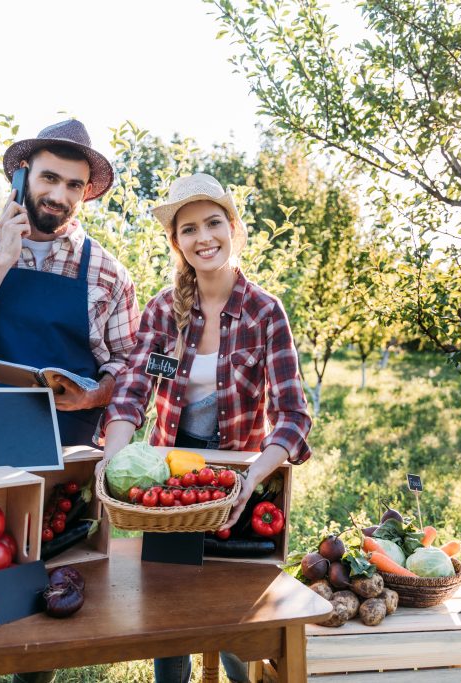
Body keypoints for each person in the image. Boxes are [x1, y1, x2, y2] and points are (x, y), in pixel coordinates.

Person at [101, 173, 312, 683]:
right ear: (176, 243)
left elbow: (293, 416)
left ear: (233, 228)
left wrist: (252, 478)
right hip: (171, 483)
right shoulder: (163, 312)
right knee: (168, 615)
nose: (204, 238)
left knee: (236, 621)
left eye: (213, 223)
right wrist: (112, 462)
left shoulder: (264, 313)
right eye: (189, 229)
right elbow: (131, 392)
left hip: (237, 476)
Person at [0, 119, 140, 449]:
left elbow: (131, 370)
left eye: (74, 185)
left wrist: (91, 395)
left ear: (87, 191)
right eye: (49, 178)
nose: (59, 196)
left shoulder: (108, 273)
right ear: (22, 173)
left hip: (71, 453)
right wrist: (1, 261)